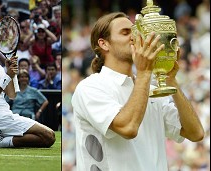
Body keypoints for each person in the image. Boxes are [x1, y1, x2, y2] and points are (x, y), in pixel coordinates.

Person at [71, 12, 205, 171]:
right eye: (125, 33)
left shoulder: (151, 89)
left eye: (135, 31)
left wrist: (170, 79)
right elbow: (128, 128)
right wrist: (144, 73)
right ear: (104, 44)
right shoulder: (90, 87)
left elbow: (195, 133)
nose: (134, 37)